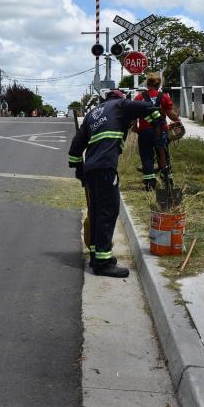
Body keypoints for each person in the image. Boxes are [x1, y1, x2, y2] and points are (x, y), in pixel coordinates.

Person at [68, 89, 166, 278]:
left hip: (91, 169)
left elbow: (76, 145)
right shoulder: (120, 105)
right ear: (121, 98)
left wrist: (79, 169)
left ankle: (97, 257)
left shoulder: (93, 113)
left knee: (96, 212)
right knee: (108, 211)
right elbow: (147, 106)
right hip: (105, 168)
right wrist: (158, 124)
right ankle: (103, 264)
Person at [132, 73, 180, 191]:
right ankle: (167, 180)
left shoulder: (139, 98)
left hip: (145, 132)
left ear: (147, 84)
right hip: (161, 131)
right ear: (159, 85)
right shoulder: (164, 97)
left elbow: (133, 116)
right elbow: (172, 116)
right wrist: (177, 116)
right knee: (163, 155)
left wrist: (135, 127)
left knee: (147, 157)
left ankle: (150, 184)